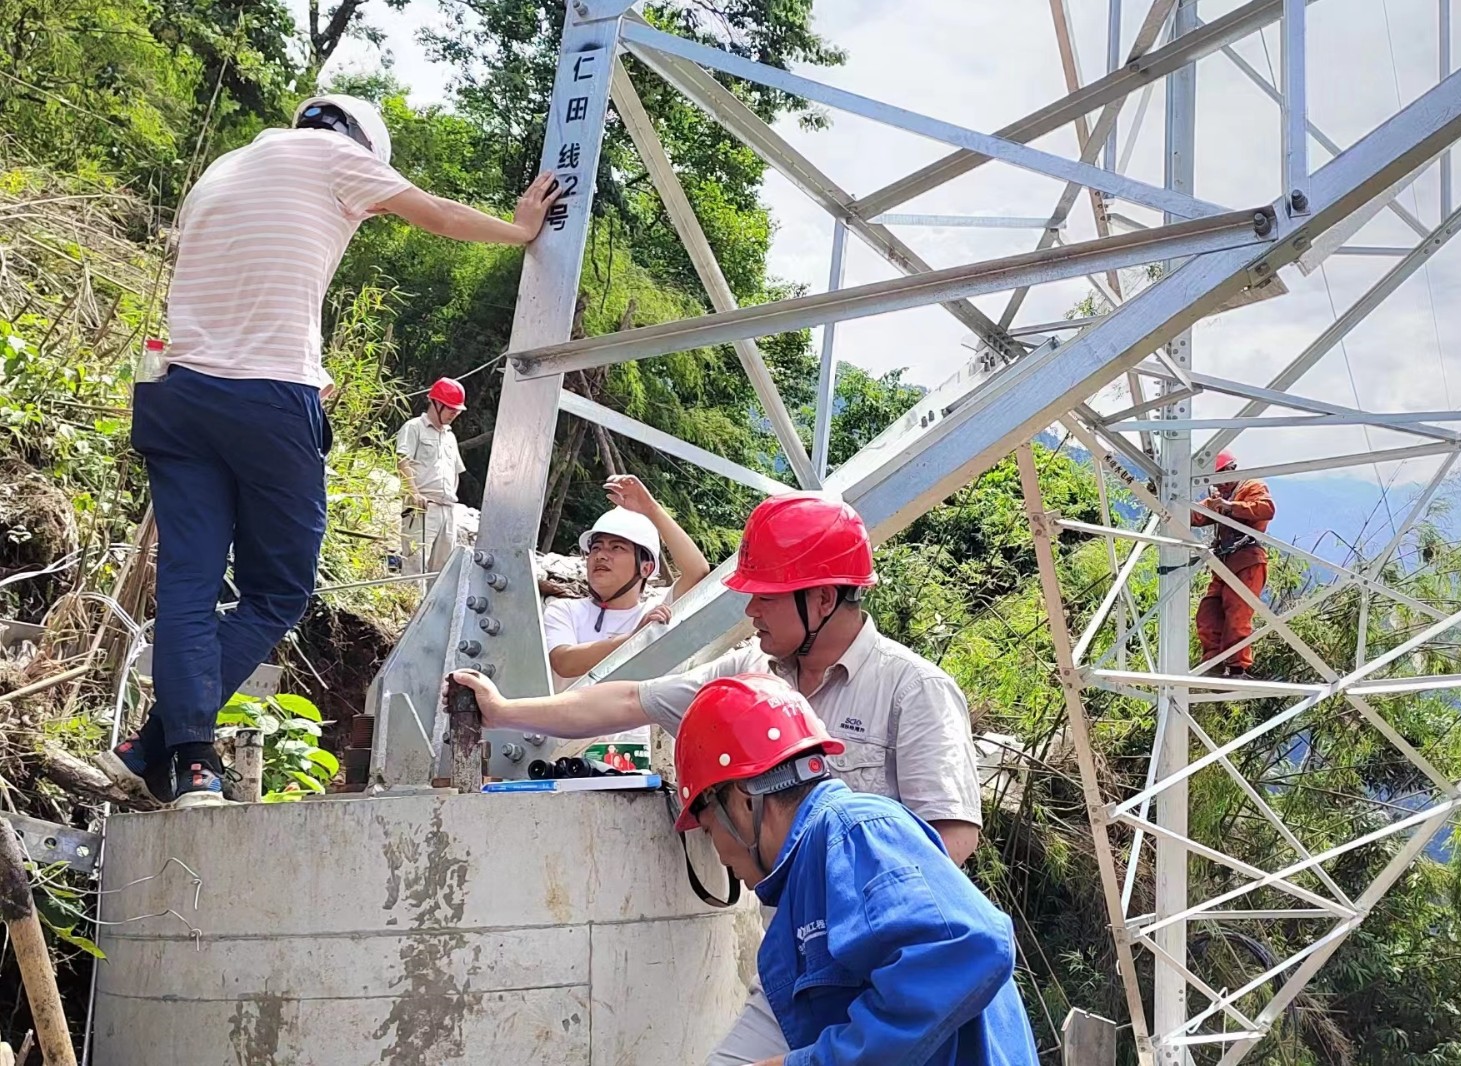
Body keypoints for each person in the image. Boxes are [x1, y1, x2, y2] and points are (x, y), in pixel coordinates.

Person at [100, 93, 561, 808]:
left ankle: (170, 753)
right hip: (267, 401)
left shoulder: (225, 167)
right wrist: (519, 228)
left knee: (189, 585)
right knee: (278, 590)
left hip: (179, 396)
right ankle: (176, 746)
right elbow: (436, 213)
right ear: (361, 145)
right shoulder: (339, 157)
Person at [453, 493, 984, 1066]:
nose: (750, 610)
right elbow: (632, 700)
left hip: (880, 965)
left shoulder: (913, 689)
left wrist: (844, 904)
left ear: (823, 598)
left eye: (766, 596)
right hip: (793, 960)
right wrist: (504, 712)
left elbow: (951, 839)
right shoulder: (751, 673)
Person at [674, 673, 1040, 1066]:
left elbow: (968, 946)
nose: (720, 856)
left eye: (709, 830)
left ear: (744, 801)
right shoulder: (806, 876)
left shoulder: (853, 831)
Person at [542, 474, 711, 691]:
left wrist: (651, 509)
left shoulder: (655, 612)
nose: (601, 555)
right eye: (596, 547)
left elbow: (697, 571)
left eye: (616, 548)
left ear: (646, 568)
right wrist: (635, 639)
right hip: (567, 715)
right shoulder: (564, 610)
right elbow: (564, 662)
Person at [1191, 449, 1275, 679]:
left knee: (1237, 614)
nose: (1220, 485)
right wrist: (1164, 502)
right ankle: (1214, 663)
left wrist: (1230, 506)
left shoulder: (1251, 487)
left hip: (1248, 561)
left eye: (1222, 477)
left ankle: (1237, 667)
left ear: (1231, 470)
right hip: (1225, 564)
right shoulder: (1220, 497)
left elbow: (1266, 508)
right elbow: (1195, 515)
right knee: (1208, 612)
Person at [397, 377, 468, 587]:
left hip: (447, 509)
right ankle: (411, 605)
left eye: (457, 411)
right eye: (451, 409)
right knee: (416, 563)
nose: (454, 414)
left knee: (443, 570)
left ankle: (433, 608)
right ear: (436, 403)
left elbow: (455, 471)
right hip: (422, 506)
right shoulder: (414, 428)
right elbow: (402, 461)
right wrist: (414, 493)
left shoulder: (450, 437)